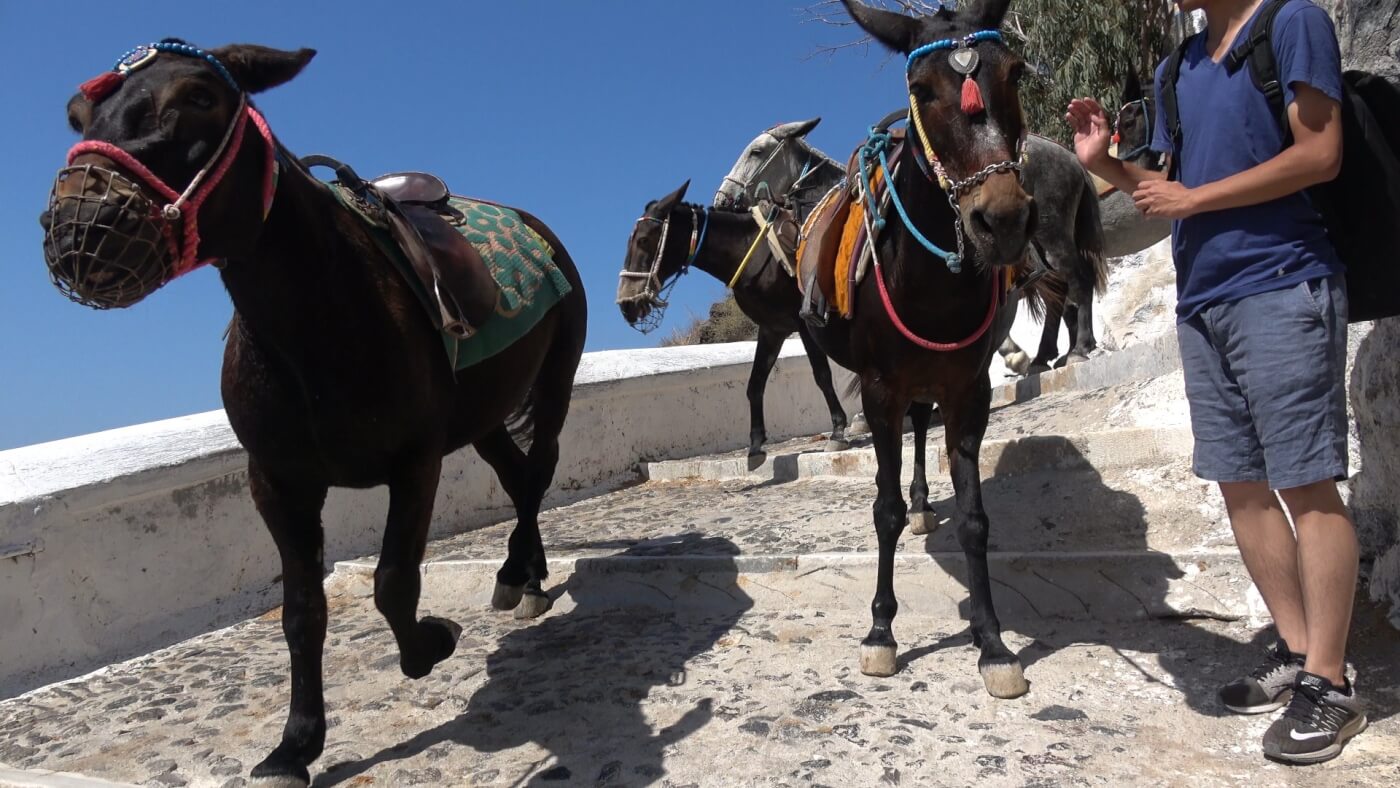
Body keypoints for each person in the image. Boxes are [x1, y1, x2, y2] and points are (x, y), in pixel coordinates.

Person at [1066, 0, 1366, 765]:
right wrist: (1106, 164)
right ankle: (1300, 657)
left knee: (1307, 482)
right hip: (1202, 302)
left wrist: (1194, 198)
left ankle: (1331, 685)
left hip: (1283, 283)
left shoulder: (1292, 22)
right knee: (1240, 483)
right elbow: (1164, 190)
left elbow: (1320, 153)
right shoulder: (1177, 68)